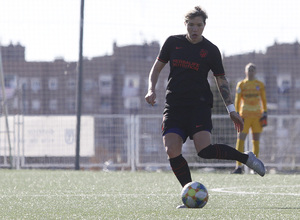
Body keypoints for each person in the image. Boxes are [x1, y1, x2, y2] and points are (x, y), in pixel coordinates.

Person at [144, 6, 265, 208]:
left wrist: (231, 110)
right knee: (171, 149)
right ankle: (189, 193)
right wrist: (151, 89)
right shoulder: (172, 42)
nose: (194, 28)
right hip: (174, 106)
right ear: (186, 25)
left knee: (204, 150)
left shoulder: (210, 50)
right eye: (191, 24)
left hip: (199, 106)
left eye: (198, 25)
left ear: (204, 26)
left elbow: (221, 80)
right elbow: (156, 68)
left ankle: (245, 158)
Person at [232, 63, 267, 174]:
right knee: (240, 138)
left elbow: (263, 99)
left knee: (256, 140)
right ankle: (238, 166)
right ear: (245, 71)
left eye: (253, 69)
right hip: (245, 116)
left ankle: (255, 168)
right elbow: (237, 100)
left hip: (257, 116)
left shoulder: (260, 84)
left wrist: (265, 112)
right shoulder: (241, 85)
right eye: (249, 69)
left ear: (255, 72)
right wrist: (237, 113)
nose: (251, 71)